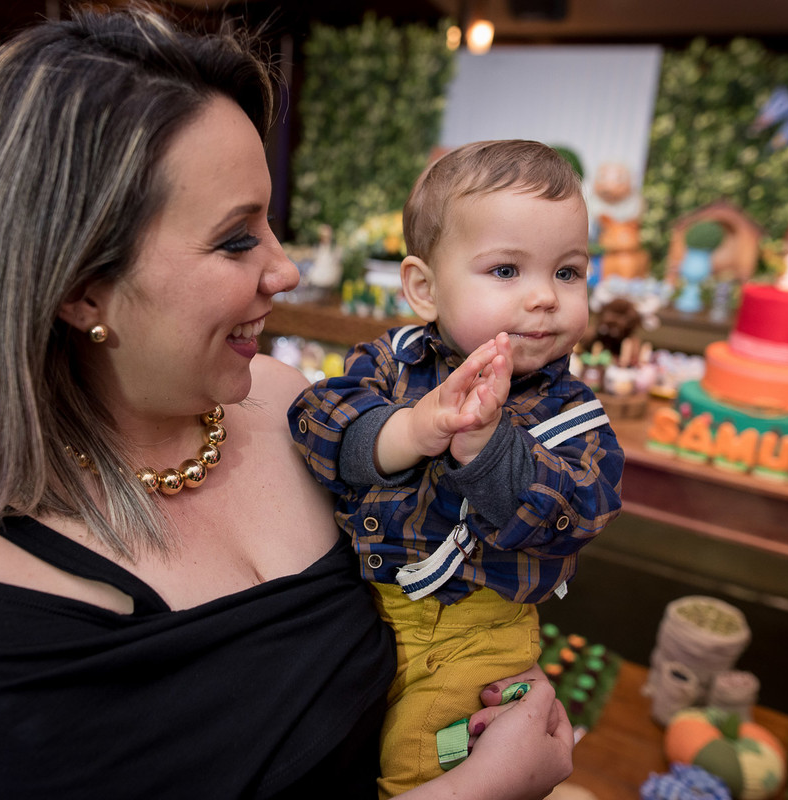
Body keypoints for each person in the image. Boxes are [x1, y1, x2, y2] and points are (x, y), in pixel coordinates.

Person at [0, 8, 574, 799]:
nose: (285, 271)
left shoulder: (288, 404)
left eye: (270, 223)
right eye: (237, 239)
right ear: (79, 287)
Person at [289, 140, 625, 795]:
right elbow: (317, 421)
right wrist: (411, 429)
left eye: (567, 272)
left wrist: (490, 449)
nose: (544, 298)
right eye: (506, 271)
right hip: (362, 609)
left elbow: (577, 515)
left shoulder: (574, 417)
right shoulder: (393, 363)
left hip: (475, 637)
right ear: (423, 286)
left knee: (423, 767)